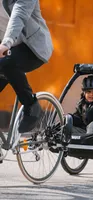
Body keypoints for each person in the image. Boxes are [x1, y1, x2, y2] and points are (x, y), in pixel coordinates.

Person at [0, 0, 53, 133]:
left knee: (7, 62)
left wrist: (6, 43)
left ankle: (31, 106)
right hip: (6, 52)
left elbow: (19, 14)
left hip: (32, 48)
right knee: (6, 62)